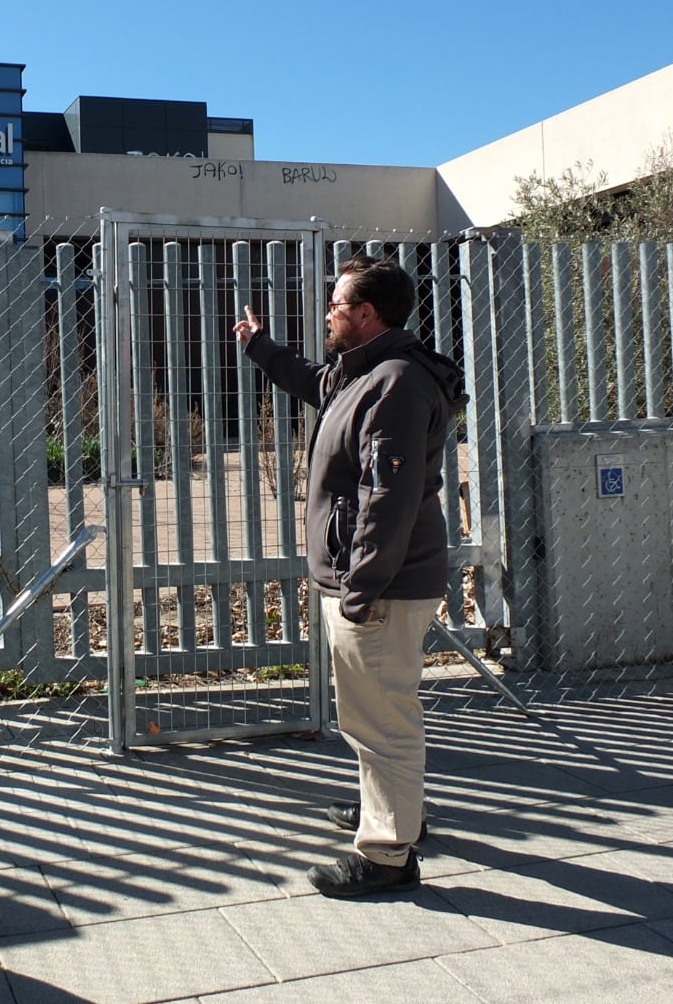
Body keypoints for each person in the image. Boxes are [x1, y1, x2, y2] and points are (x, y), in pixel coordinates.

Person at [234, 257, 465, 898]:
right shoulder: (366, 373)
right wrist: (259, 348)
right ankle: (387, 813)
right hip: (375, 580)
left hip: (380, 585)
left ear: (367, 314)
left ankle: (388, 854)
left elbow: (387, 498)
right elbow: (316, 382)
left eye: (336, 305)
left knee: (381, 718)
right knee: (375, 712)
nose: (329, 313)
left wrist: (360, 588)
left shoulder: (395, 384)